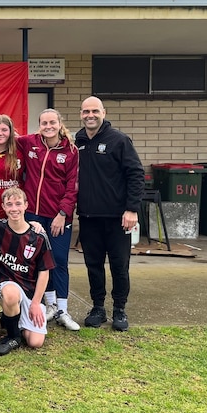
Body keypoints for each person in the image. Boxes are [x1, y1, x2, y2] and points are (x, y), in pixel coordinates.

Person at [76, 96, 144, 332]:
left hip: (117, 218)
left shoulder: (119, 140)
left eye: (95, 111)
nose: (90, 115)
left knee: (119, 265)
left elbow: (135, 174)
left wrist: (132, 208)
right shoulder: (78, 141)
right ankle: (97, 308)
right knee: (93, 265)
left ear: (103, 112)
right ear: (81, 114)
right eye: (86, 111)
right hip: (88, 218)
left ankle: (119, 310)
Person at [17, 108, 80, 331]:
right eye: (44, 123)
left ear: (59, 123)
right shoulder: (29, 142)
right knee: (39, 262)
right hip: (33, 214)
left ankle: (63, 309)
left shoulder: (71, 150)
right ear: (39, 125)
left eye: (52, 122)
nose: (48, 127)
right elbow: (3, 138)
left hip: (57, 217)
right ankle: (50, 304)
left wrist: (62, 214)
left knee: (59, 261)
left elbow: (73, 187)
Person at [0, 188, 55, 356]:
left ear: (26, 205)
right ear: (3, 206)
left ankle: (13, 320)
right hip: (7, 285)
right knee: (10, 295)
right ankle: (13, 336)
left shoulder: (38, 236)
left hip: (29, 291)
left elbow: (44, 272)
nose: (14, 208)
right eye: (9, 204)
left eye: (18, 204)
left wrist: (36, 303)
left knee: (35, 342)